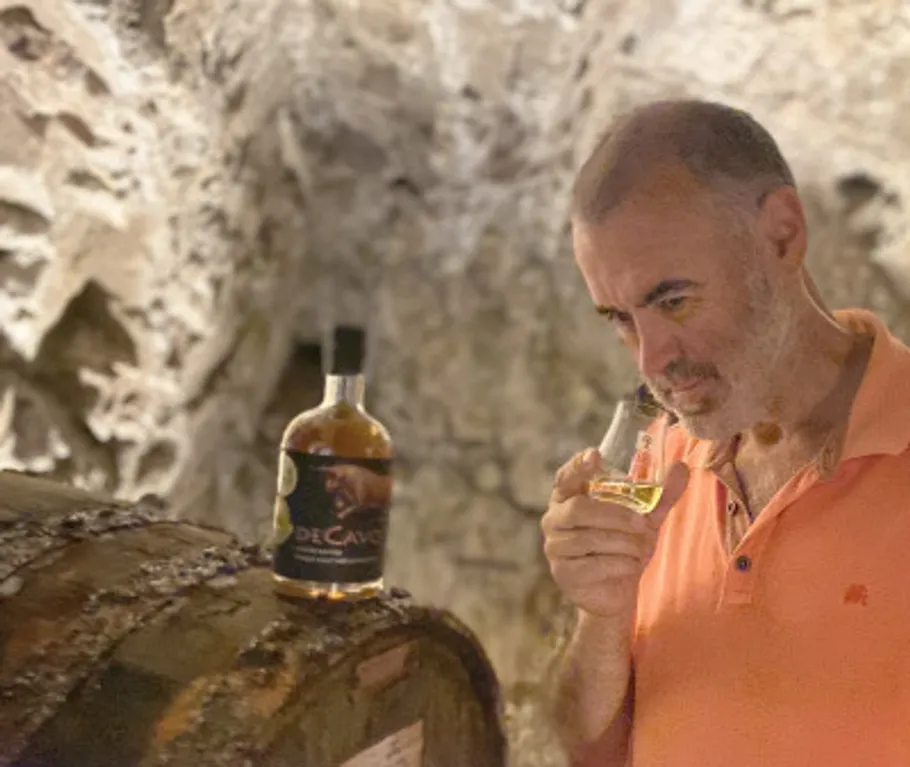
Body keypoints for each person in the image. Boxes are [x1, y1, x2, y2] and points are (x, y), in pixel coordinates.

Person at [541, 98, 910, 767]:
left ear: (781, 235)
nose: (650, 359)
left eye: (673, 301)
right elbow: (593, 750)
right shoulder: (657, 462)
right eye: (620, 318)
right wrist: (600, 612)